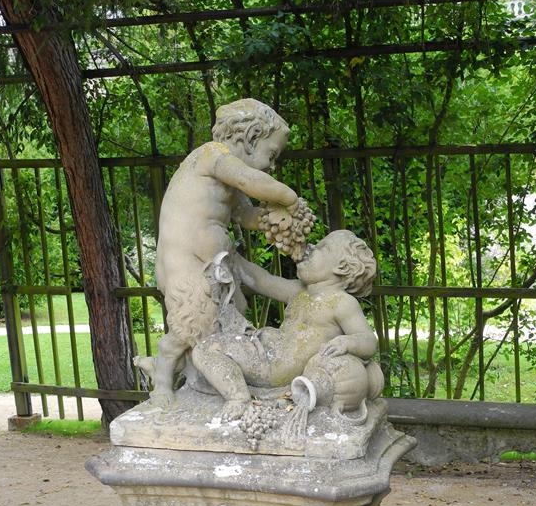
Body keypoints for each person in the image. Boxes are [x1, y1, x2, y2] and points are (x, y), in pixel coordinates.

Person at [144, 98, 302, 407]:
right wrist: (289, 199)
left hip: (215, 262)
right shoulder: (212, 156)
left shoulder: (228, 184)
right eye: (272, 154)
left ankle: (204, 377)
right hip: (187, 265)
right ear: (251, 137)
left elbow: (246, 215)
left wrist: (272, 220)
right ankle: (162, 376)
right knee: (192, 325)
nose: (272, 166)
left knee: (225, 323)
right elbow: (251, 180)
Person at [190, 230, 381, 422]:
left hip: (277, 370)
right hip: (266, 352)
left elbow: (368, 341)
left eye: (322, 247)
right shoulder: (299, 291)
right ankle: (238, 393)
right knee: (207, 347)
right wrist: (234, 258)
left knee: (206, 350)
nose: (311, 247)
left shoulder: (341, 302)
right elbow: (262, 281)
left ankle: (238, 398)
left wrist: (346, 343)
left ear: (341, 267)